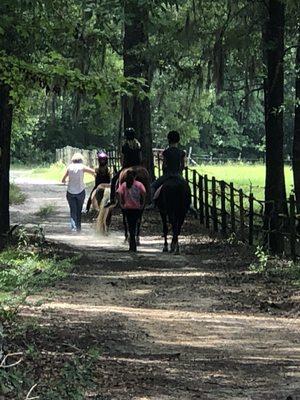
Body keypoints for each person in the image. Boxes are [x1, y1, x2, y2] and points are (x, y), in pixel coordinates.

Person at [147, 130, 186, 209]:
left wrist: (166, 172)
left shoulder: (166, 152)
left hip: (168, 175)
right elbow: (183, 166)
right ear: (178, 140)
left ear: (169, 140)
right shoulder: (181, 152)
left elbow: (164, 165)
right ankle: (189, 204)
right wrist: (179, 172)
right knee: (186, 188)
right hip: (178, 175)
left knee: (153, 186)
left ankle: (153, 203)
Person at [105, 127, 142, 208]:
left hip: (127, 166)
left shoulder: (125, 145)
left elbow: (123, 158)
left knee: (114, 179)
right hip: (138, 167)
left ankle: (112, 199)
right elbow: (140, 157)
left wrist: (123, 166)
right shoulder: (138, 145)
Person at [62, 152, 95, 232]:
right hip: (80, 191)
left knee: (73, 211)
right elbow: (93, 172)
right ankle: (79, 229)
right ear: (81, 160)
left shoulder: (69, 167)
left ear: (73, 160)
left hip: (70, 192)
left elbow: (63, 180)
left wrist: (66, 182)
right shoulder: (82, 167)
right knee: (79, 211)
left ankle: (73, 228)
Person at [117, 170, 146, 252]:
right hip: (136, 208)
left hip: (127, 208)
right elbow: (144, 193)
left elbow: (118, 192)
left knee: (130, 227)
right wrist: (143, 203)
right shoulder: (139, 184)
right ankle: (134, 244)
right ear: (135, 176)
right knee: (135, 225)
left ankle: (132, 246)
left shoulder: (124, 184)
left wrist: (121, 203)